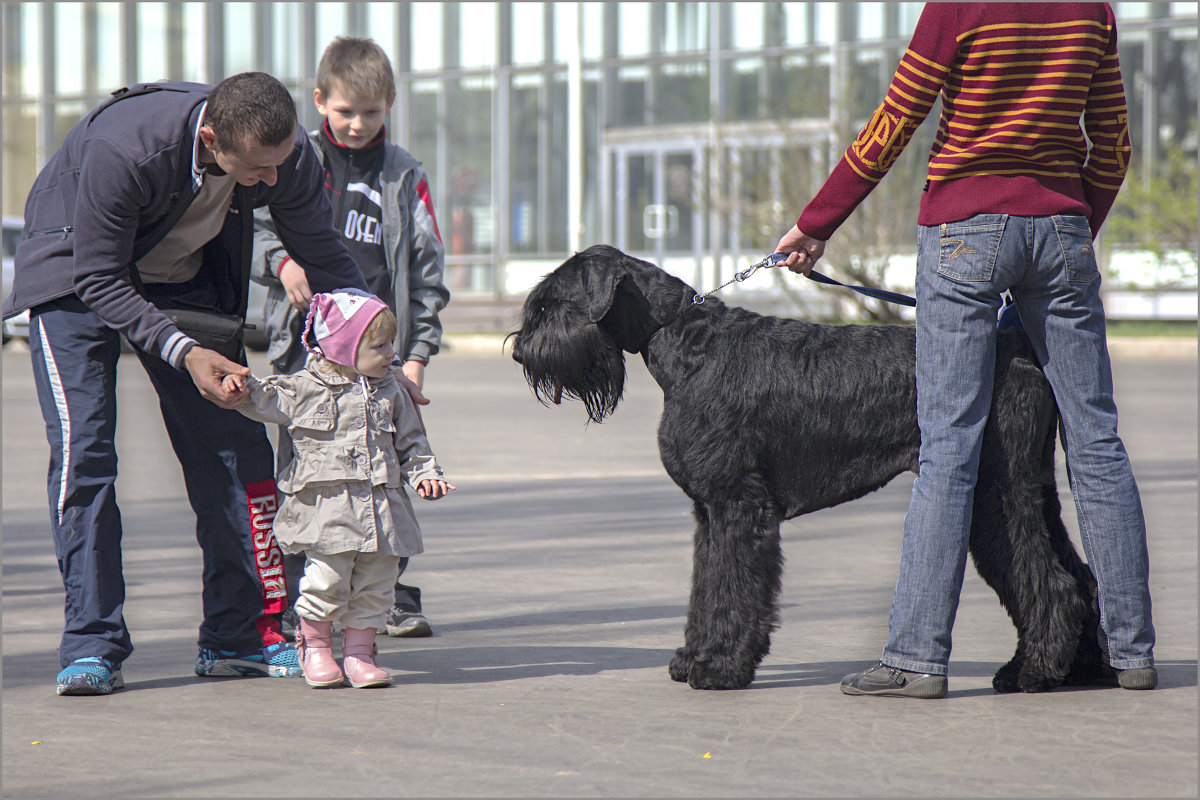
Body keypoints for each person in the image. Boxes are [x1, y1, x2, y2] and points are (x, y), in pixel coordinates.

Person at [773, 2, 1155, 698]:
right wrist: (1072, 226)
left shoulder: (957, 7)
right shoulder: (1090, 10)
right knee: (1097, 442)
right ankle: (1131, 652)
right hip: (1060, 229)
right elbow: (1115, 142)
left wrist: (816, 223)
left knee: (948, 445)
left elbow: (894, 122)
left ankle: (917, 658)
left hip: (963, 231)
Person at [3, 72, 376, 696]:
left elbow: (325, 253)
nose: (270, 182)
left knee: (237, 448)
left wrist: (374, 339)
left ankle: (243, 634)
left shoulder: (288, 154)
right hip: (76, 277)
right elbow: (100, 277)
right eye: (255, 171)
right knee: (85, 454)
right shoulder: (126, 148)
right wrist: (185, 352)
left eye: (280, 164)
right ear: (210, 137)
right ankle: (92, 641)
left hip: (185, 277)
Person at [253, 36, 449, 640]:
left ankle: (389, 593)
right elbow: (256, 224)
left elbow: (427, 271)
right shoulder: (290, 158)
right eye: (344, 111)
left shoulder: (403, 175)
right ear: (319, 102)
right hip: (307, 355)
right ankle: (302, 597)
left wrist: (414, 356)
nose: (358, 124)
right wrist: (283, 263)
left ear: (389, 105)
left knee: (384, 473)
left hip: (378, 357)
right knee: (307, 476)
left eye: (371, 111)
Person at [222, 289, 454, 688]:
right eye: (378, 345)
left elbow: (413, 441)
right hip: (327, 511)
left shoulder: (391, 391)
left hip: (382, 511)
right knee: (326, 581)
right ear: (343, 347)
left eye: (390, 345)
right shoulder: (303, 386)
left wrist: (425, 473)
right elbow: (264, 398)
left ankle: (361, 656)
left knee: (377, 585)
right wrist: (239, 390)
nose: (389, 354)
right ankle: (315, 649)